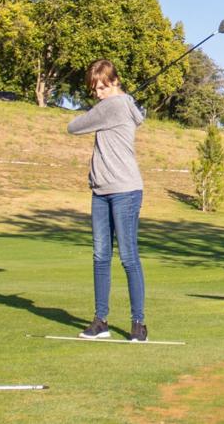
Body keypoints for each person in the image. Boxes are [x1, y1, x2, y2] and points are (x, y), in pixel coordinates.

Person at [68, 59, 149, 342]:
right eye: (95, 89)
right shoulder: (122, 104)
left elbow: (74, 126)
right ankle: (100, 321)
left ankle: (138, 323)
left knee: (128, 257)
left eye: (102, 87)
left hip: (125, 189)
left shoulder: (113, 106)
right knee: (101, 256)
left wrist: (113, 100)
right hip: (100, 190)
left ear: (115, 81)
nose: (98, 93)